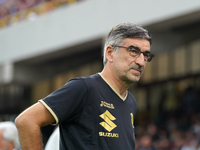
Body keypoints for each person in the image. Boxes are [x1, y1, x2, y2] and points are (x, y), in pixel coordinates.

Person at [15, 22, 154, 150]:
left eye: (146, 55)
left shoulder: (131, 102)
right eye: (133, 51)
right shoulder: (83, 88)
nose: (141, 62)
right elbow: (26, 120)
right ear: (110, 53)